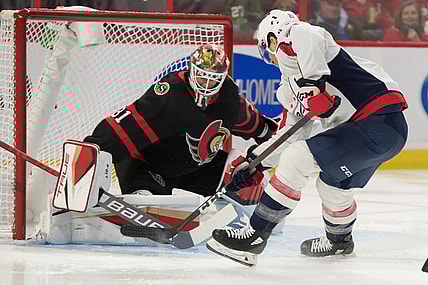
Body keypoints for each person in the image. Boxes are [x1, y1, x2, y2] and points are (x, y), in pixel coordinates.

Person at [206, 10, 408, 266]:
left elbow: (306, 36)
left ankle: (254, 236)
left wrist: (313, 84)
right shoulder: (289, 87)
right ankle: (339, 241)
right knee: (333, 184)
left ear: (272, 38)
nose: (273, 59)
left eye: (268, 49)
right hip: (378, 134)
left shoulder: (303, 37)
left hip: (378, 121)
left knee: (298, 158)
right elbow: (290, 135)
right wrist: (254, 162)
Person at [84, 43, 277, 198]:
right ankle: (143, 195)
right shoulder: (171, 94)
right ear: (192, 71)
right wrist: (91, 152)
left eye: (213, 79)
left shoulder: (230, 97)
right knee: (144, 201)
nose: (207, 85)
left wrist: (271, 135)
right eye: (202, 78)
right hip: (151, 165)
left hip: (195, 169)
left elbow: (253, 124)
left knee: (255, 188)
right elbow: (125, 127)